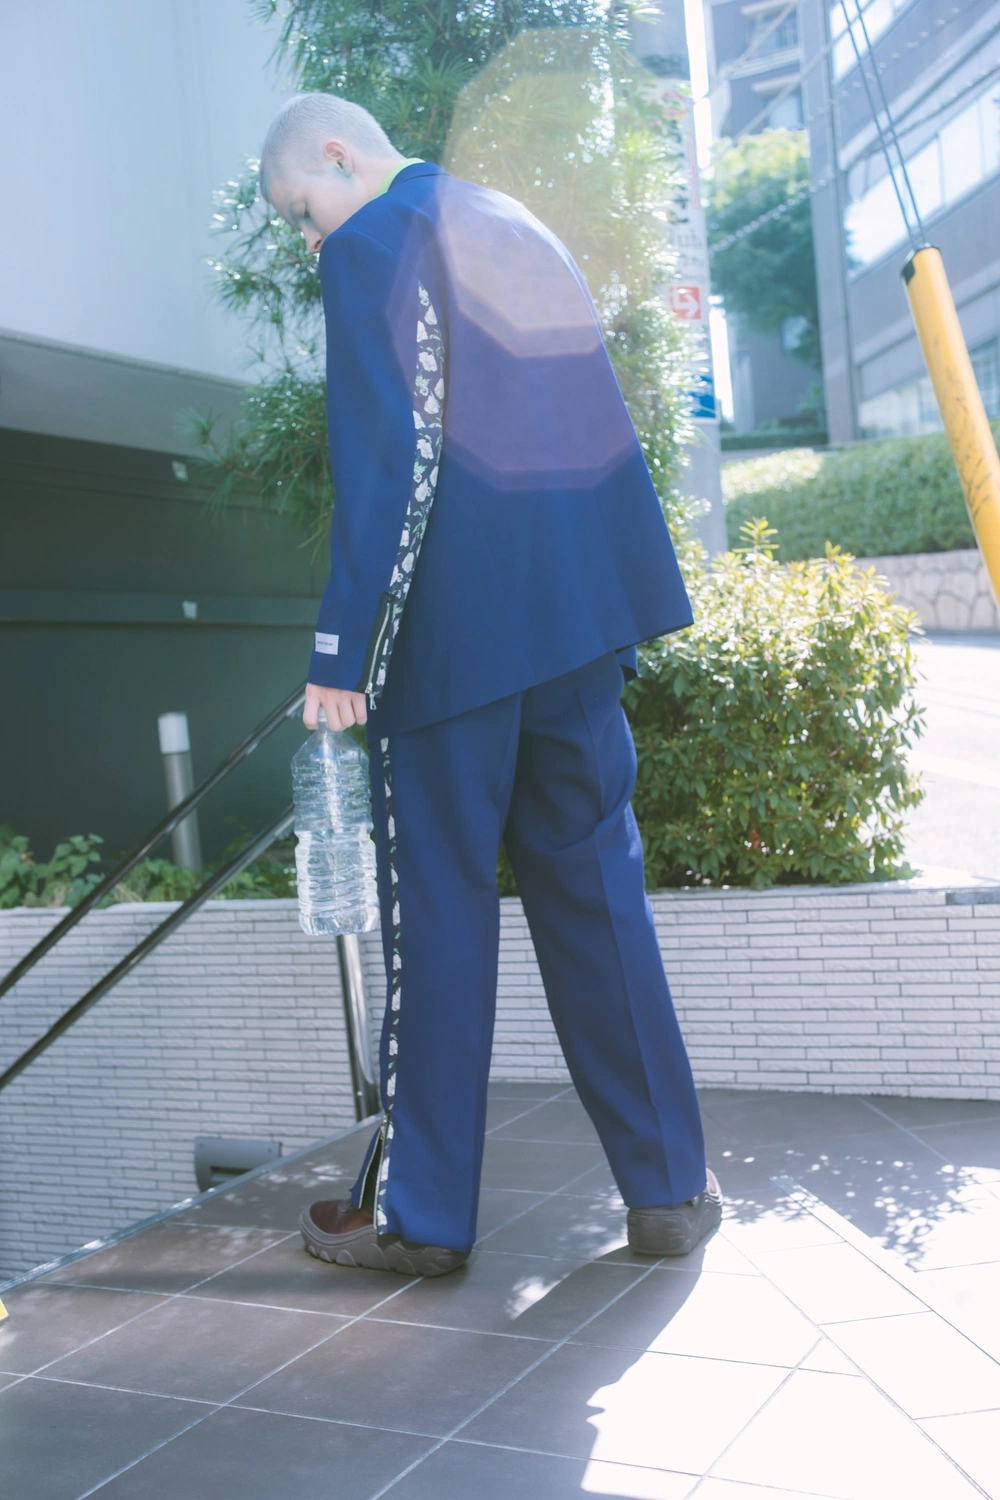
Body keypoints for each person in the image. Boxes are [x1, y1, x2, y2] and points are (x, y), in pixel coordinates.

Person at [260, 92, 722, 1278]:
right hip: (576, 634)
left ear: (337, 155)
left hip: (454, 650)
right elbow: (595, 423)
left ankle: (425, 1219)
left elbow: (394, 450)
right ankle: (670, 1189)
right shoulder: (520, 224)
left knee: (440, 922)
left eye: (302, 211)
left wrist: (343, 652)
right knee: (601, 902)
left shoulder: (376, 241)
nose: (310, 240)